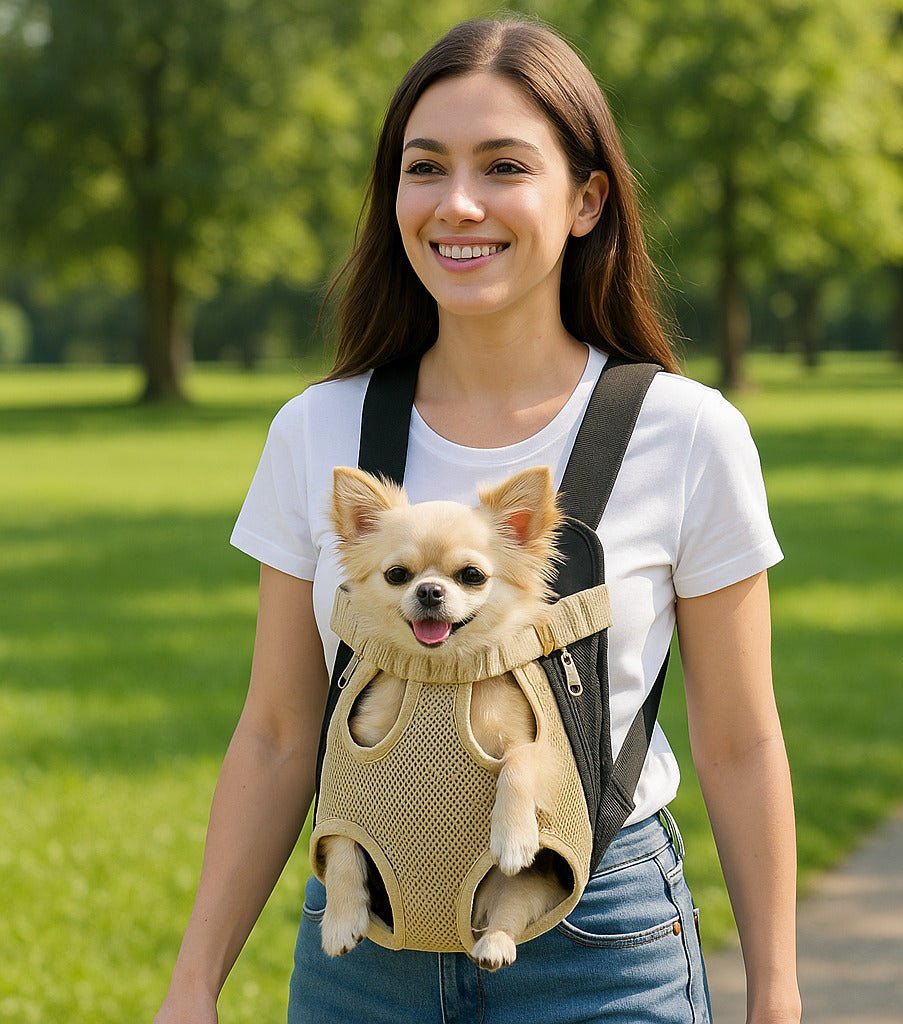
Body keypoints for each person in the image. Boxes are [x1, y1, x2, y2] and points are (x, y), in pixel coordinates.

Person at [155, 16, 801, 1024]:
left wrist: (778, 995)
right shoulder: (318, 430)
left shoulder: (684, 434)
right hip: (359, 949)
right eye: (425, 168)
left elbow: (740, 740)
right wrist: (194, 981)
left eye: (504, 166)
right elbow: (280, 732)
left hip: (599, 945)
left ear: (586, 200)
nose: (457, 203)